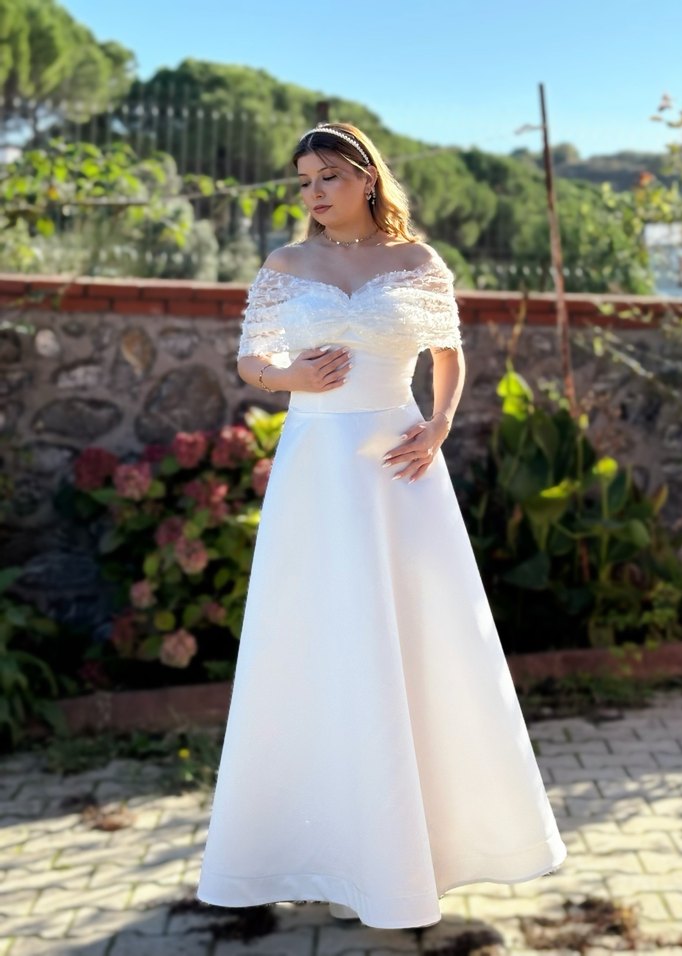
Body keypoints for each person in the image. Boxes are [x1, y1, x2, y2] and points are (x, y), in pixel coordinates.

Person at [195, 121, 568, 930]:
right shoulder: (285, 266)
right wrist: (289, 376)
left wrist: (438, 425)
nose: (314, 193)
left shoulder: (418, 261)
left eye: (327, 176)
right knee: (320, 643)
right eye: (304, 181)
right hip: (317, 470)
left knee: (418, 642)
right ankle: (328, 851)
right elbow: (251, 361)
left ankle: (415, 858)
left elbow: (447, 355)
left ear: (366, 177)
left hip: (399, 469)